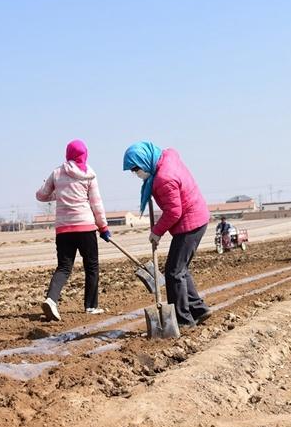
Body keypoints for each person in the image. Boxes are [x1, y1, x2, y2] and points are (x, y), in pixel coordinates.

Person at [123, 141, 212, 328]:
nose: (136, 174)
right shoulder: (165, 159)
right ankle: (198, 309)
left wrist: (157, 232)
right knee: (180, 269)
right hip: (196, 217)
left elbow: (174, 211)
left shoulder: (164, 178)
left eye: (136, 169)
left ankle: (183, 320)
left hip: (191, 223)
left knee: (173, 272)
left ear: (145, 160)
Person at [36, 140, 110, 321]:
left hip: (63, 230)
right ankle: (91, 306)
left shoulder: (57, 173)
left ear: (67, 154)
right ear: (85, 155)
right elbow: (96, 204)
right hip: (85, 227)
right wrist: (103, 227)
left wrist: (59, 194)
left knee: (63, 267)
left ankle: (51, 300)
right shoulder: (89, 175)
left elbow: (41, 195)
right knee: (91, 266)